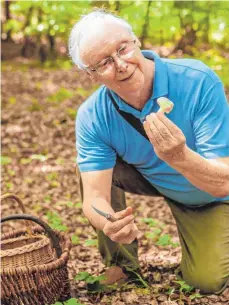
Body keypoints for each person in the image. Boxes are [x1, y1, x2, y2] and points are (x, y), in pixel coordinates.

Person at [68, 10, 229, 294]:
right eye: (104, 62)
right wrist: (109, 223)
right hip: (153, 177)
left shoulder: (198, 80)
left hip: (210, 192)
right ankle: (120, 265)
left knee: (206, 281)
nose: (121, 65)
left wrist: (179, 156)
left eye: (122, 49)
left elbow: (222, 183)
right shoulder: (93, 115)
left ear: (136, 41)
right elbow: (94, 196)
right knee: (90, 165)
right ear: (90, 75)